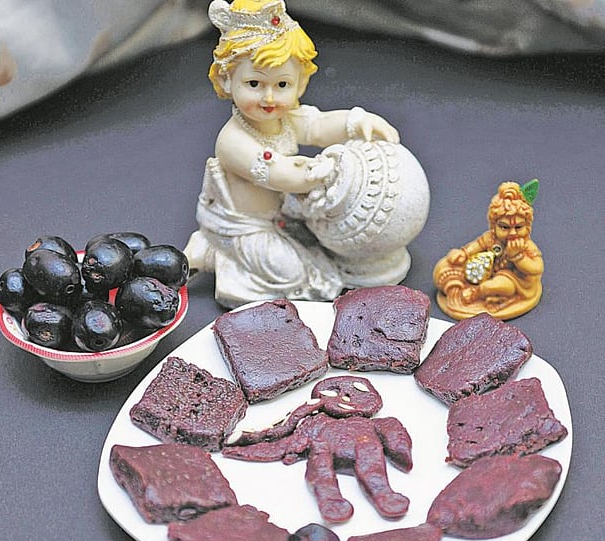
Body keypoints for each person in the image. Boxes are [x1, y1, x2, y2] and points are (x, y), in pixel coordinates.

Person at [184, 0, 400, 308]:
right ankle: (211, 252)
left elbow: (319, 126)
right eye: (254, 83)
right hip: (243, 226)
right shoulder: (233, 141)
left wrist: (356, 121)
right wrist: (323, 171)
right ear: (226, 80)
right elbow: (281, 175)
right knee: (294, 274)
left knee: (324, 246)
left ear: (300, 84)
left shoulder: (285, 119)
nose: (269, 97)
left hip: (280, 215)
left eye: (283, 84)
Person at [433, 180, 544, 320]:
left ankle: (476, 293)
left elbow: (537, 268)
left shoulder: (526, 245)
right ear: (494, 225)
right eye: (504, 227)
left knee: (500, 285)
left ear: (527, 227)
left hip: (516, 281)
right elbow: (476, 246)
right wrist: (464, 253)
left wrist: (517, 256)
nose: (512, 233)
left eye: (518, 227)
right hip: (484, 271)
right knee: (444, 266)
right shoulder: (491, 238)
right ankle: (455, 288)